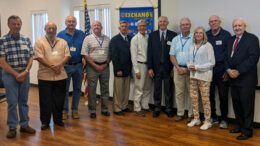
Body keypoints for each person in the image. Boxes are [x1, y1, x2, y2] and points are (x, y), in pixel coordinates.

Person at [0, 15, 35, 138]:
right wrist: (17, 74)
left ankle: (24, 125)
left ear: (21, 25)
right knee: (12, 102)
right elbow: (2, 62)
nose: (16, 26)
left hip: (25, 73)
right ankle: (12, 127)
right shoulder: (2, 40)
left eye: (18, 24)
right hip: (10, 75)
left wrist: (25, 72)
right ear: (8, 25)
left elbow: (31, 57)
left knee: (23, 101)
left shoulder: (26, 39)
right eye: (14, 24)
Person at [225, 18, 259, 140]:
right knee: (237, 105)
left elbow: (253, 58)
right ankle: (239, 126)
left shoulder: (252, 39)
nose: (237, 28)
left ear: (244, 26)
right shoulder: (230, 40)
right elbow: (226, 57)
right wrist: (228, 70)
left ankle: (247, 130)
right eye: (235, 26)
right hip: (233, 78)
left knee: (247, 106)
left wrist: (238, 71)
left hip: (246, 79)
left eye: (239, 25)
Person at [34, 22, 71, 130]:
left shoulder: (62, 42)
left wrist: (59, 66)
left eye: (53, 28)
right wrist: (53, 67)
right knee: (45, 100)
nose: (51, 30)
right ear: (45, 29)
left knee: (59, 100)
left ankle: (58, 120)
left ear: (56, 30)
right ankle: (45, 122)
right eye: (49, 28)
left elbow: (67, 55)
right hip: (44, 76)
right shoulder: (39, 42)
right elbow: (39, 57)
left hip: (60, 75)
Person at [57, 16, 86, 120]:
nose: (71, 23)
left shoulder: (81, 34)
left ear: (76, 23)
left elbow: (85, 48)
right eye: (69, 21)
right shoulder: (60, 35)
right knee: (64, 90)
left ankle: (75, 110)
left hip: (78, 65)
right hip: (65, 66)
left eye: (73, 21)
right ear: (66, 23)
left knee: (77, 89)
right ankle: (64, 111)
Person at [148, 16, 177, 118]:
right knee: (157, 89)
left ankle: (169, 109)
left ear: (167, 23)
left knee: (169, 90)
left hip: (169, 68)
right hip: (156, 68)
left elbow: (176, 53)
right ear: (158, 23)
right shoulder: (152, 35)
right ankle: (157, 108)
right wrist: (150, 68)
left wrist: (174, 68)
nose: (162, 23)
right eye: (160, 21)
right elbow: (150, 52)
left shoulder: (173, 35)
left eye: (164, 21)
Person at [187, 26, 215, 130]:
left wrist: (197, 67)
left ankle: (207, 121)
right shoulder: (192, 46)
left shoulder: (208, 46)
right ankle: (196, 118)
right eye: (196, 33)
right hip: (193, 76)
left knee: (205, 100)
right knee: (194, 99)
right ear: (194, 35)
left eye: (200, 33)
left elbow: (212, 63)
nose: (198, 34)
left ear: (204, 35)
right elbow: (189, 60)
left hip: (204, 76)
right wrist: (188, 65)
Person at [81, 21, 111, 118]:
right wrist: (95, 65)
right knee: (92, 89)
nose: (97, 27)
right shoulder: (87, 39)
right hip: (92, 67)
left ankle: (105, 109)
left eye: (98, 25)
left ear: (101, 27)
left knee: (105, 89)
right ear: (92, 28)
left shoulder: (107, 38)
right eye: (95, 25)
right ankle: (92, 110)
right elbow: (85, 54)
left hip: (105, 67)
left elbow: (110, 53)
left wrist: (105, 64)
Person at [206, 15, 231, 128]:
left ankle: (224, 119)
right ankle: (213, 117)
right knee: (209, 95)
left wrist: (227, 70)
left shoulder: (226, 35)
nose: (213, 23)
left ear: (219, 22)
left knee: (223, 96)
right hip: (209, 71)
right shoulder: (206, 35)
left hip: (222, 71)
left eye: (215, 21)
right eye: (211, 22)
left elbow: (229, 55)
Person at [169, 17, 193, 122]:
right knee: (179, 93)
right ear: (180, 26)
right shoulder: (175, 39)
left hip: (191, 70)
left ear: (190, 25)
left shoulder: (195, 38)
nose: (185, 26)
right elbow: (172, 55)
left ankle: (191, 114)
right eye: (183, 25)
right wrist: (178, 68)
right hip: (178, 69)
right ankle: (180, 113)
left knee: (192, 93)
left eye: (187, 24)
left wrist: (188, 70)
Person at [109, 21, 132, 116]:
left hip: (128, 68)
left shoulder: (130, 38)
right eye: (122, 26)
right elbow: (113, 56)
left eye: (126, 26)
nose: (124, 28)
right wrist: (118, 69)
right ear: (119, 28)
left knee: (126, 89)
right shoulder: (115, 40)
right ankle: (117, 108)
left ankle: (124, 106)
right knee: (118, 90)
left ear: (128, 28)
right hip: (119, 69)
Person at [130, 19, 152, 117]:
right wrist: (136, 70)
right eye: (140, 26)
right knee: (139, 88)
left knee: (147, 87)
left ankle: (145, 105)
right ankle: (137, 108)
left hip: (148, 66)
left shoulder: (148, 37)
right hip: (139, 65)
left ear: (146, 27)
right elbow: (133, 56)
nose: (142, 27)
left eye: (144, 26)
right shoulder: (135, 39)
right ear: (138, 27)